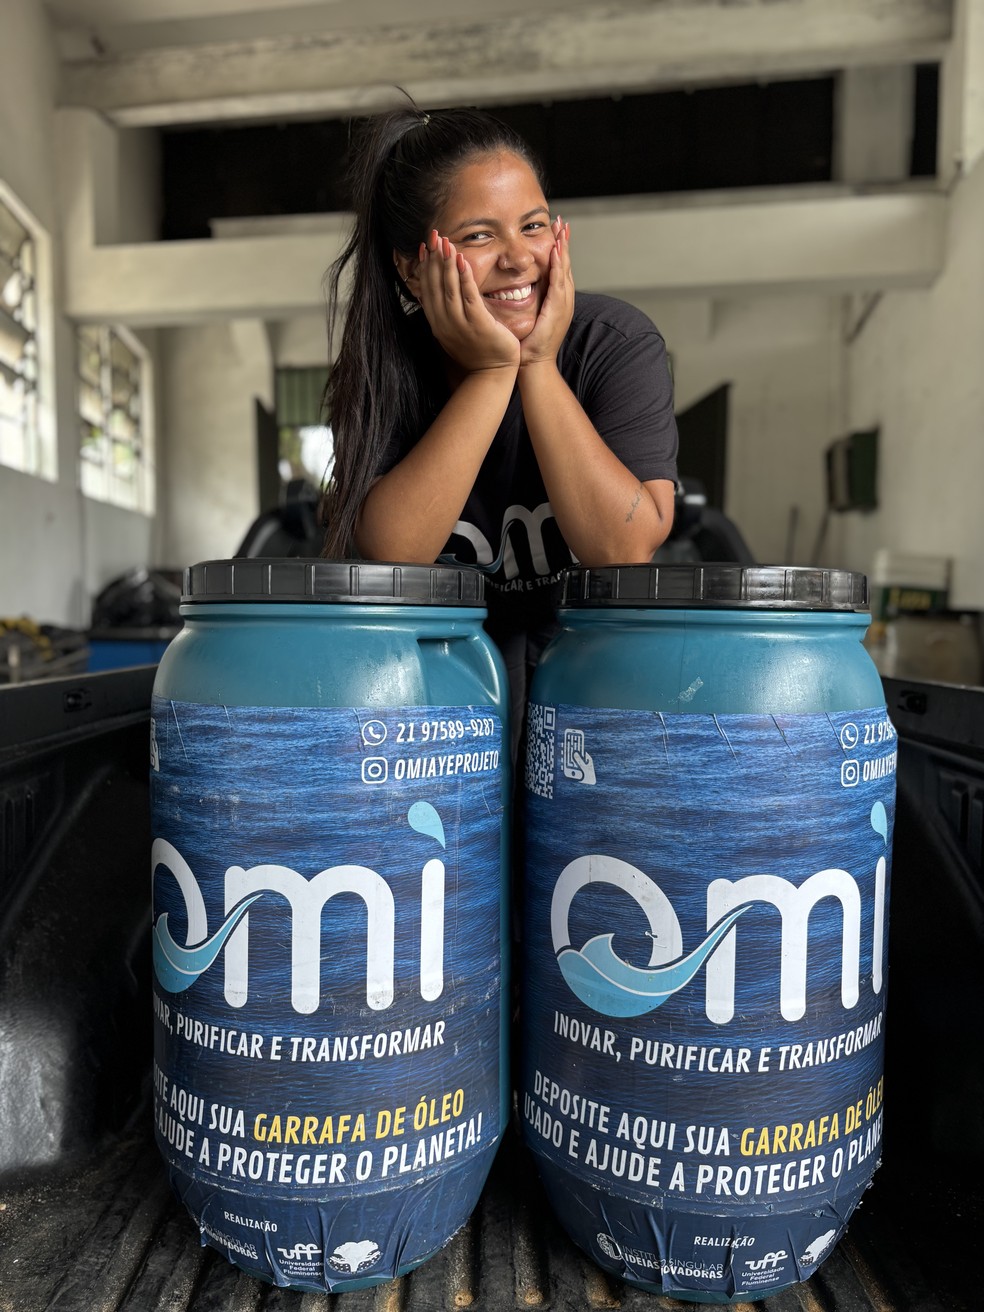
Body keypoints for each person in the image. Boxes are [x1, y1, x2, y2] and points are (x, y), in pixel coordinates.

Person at [321, 105, 679, 748]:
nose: (519, 259)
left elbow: (623, 550)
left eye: (534, 225)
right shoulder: (386, 365)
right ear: (412, 266)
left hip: (599, 677)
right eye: (480, 236)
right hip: (434, 686)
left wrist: (538, 363)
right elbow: (393, 557)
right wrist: (492, 374)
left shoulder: (614, 344)